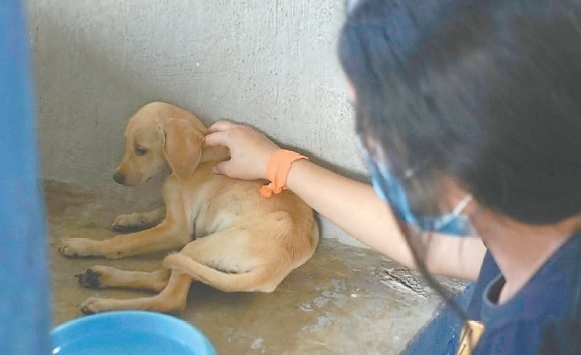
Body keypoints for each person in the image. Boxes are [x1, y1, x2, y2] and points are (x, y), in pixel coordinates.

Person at [204, 0, 581, 354]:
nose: (367, 139)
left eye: (373, 120)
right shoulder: (539, 215)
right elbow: (446, 247)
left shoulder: (531, 337)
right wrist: (278, 163)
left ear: (462, 155)